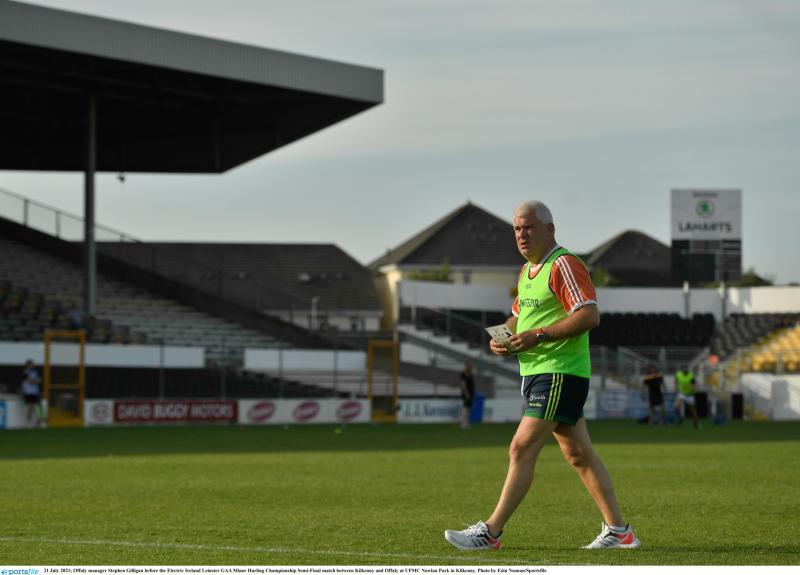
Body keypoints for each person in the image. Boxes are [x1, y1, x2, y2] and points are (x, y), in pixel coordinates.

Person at [444, 200, 639, 551]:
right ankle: (620, 532)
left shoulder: (562, 264)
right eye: (517, 229)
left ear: (550, 229)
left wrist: (538, 336)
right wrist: (503, 337)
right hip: (536, 372)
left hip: (560, 372)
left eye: (529, 227)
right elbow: (517, 318)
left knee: (521, 447)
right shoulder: (526, 272)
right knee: (579, 455)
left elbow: (589, 316)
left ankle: (491, 532)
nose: (522, 235)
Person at [20, 359, 43, 427]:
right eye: (30, 365)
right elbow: (30, 381)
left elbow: (39, 381)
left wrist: (34, 381)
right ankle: (28, 422)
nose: (32, 366)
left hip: (35, 392)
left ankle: (39, 422)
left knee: (39, 406)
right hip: (28, 392)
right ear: (27, 365)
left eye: (32, 364)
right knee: (30, 407)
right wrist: (35, 381)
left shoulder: (35, 372)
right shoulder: (25, 372)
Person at [459, 360, 476, 429]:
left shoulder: (470, 374)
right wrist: (466, 393)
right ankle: (463, 423)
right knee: (465, 408)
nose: (472, 366)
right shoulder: (464, 374)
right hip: (467, 393)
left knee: (468, 408)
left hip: (470, 393)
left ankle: (466, 423)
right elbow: (463, 385)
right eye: (471, 364)